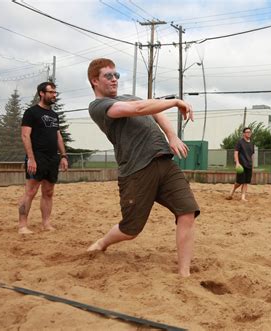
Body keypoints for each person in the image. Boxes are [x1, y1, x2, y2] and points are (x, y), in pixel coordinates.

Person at [86, 58, 199, 277]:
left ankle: (184, 273)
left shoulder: (128, 96)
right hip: (137, 171)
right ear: (94, 81)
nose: (114, 79)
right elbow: (139, 108)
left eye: (116, 75)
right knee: (130, 230)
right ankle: (102, 242)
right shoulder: (98, 107)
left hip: (164, 162)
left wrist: (172, 136)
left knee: (187, 212)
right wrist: (176, 101)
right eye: (108, 76)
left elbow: (155, 112)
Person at [18, 82, 68, 234]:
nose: (54, 95)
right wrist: (31, 159)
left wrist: (63, 156)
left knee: (48, 192)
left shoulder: (54, 115)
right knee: (31, 191)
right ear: (41, 93)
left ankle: (46, 223)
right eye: (51, 92)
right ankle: (22, 226)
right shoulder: (31, 112)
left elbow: (58, 136)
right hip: (37, 156)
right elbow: (25, 135)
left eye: (55, 92)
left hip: (52, 157)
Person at [226, 127, 255, 201]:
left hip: (249, 165)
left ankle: (243, 197)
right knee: (239, 182)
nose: (249, 133)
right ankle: (232, 190)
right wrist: (237, 163)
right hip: (241, 165)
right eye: (247, 132)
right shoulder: (240, 142)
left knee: (246, 182)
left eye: (250, 132)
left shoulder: (252, 143)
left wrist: (253, 165)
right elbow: (236, 153)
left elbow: (252, 155)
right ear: (244, 134)